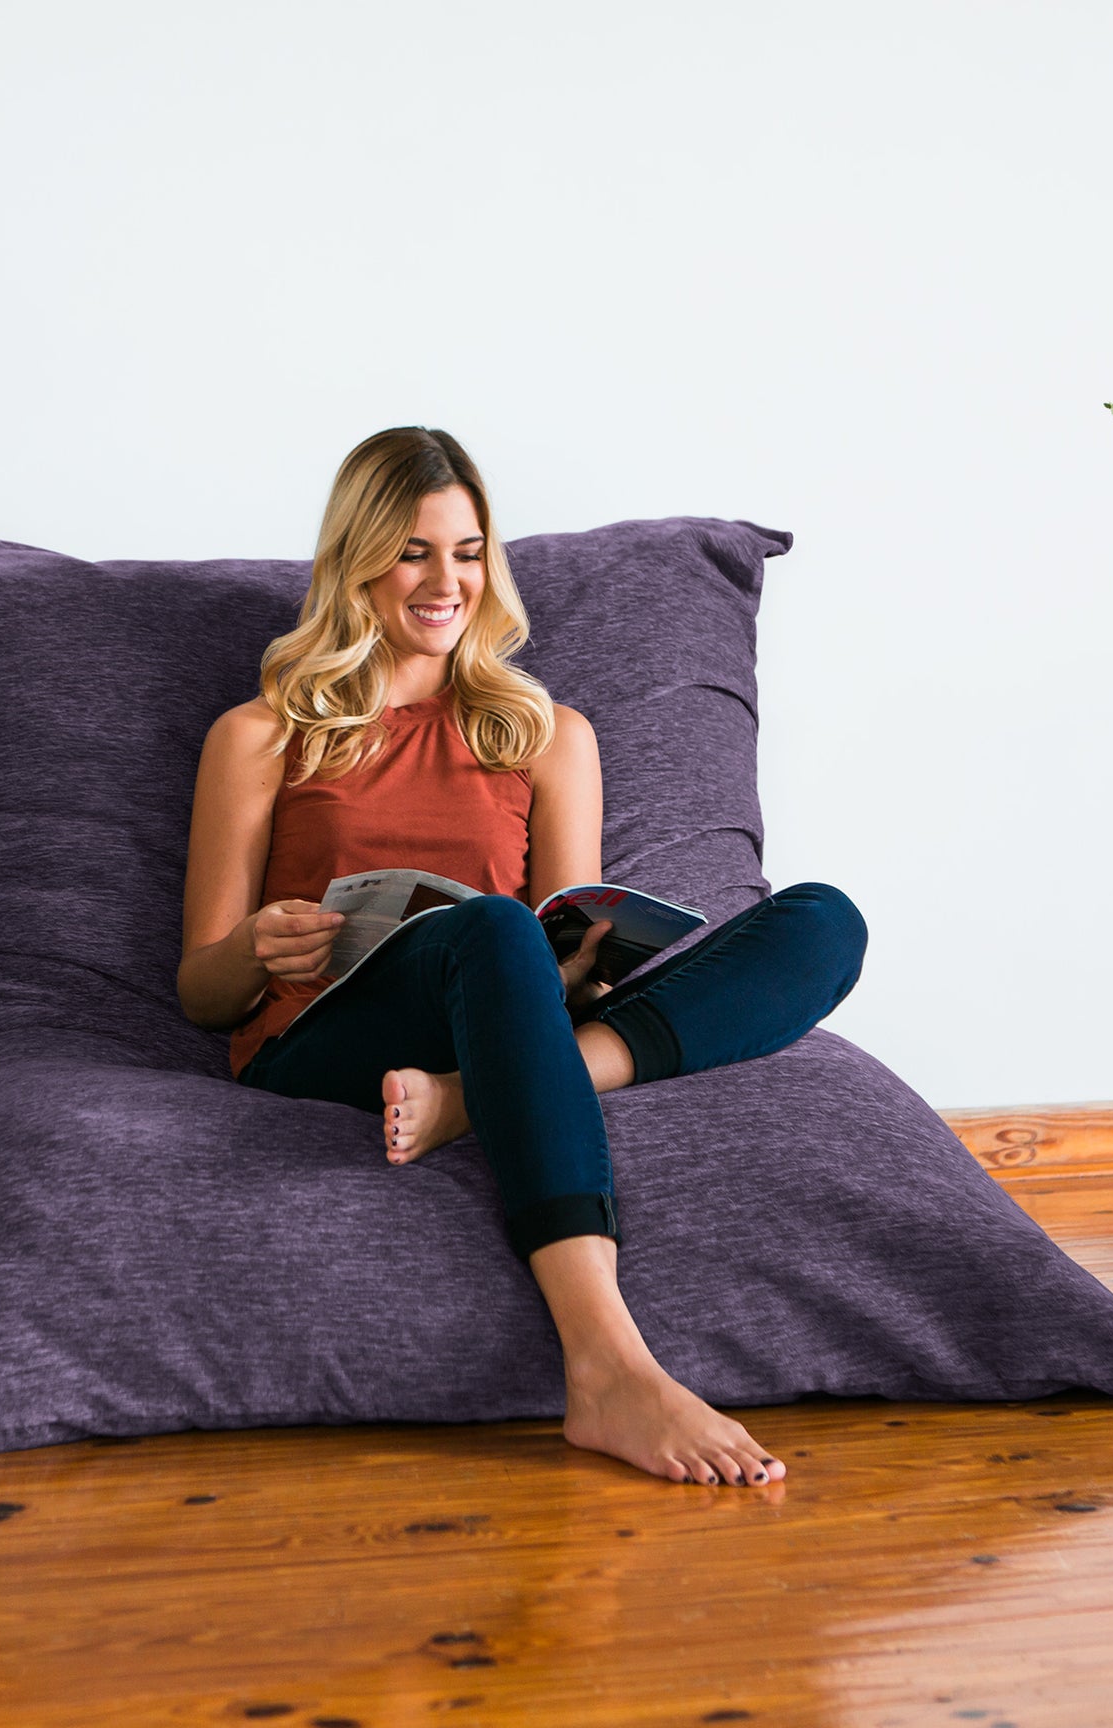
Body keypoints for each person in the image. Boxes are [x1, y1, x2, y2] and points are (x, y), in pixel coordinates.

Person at [178, 426, 867, 1488]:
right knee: (493, 928)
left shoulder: (547, 734)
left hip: (495, 1014)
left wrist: (573, 974)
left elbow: (563, 924)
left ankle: (467, 1098)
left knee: (824, 922)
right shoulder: (262, 734)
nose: (445, 581)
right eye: (412, 552)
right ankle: (608, 1364)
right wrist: (257, 947)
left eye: (466, 552)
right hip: (320, 1037)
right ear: (357, 562)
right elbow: (201, 990)